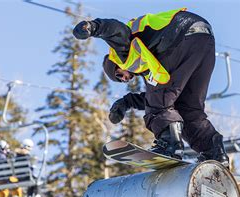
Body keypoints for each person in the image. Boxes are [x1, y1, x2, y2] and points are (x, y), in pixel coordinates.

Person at [73, 8, 229, 167]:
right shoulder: (149, 63)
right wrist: (126, 102)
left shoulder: (121, 54)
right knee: (188, 109)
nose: (125, 79)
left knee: (160, 102)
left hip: (178, 35)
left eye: (119, 75)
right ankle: (214, 151)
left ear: (115, 65)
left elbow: (117, 30)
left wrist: (93, 27)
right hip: (203, 39)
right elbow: (157, 95)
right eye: (122, 81)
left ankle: (169, 144)